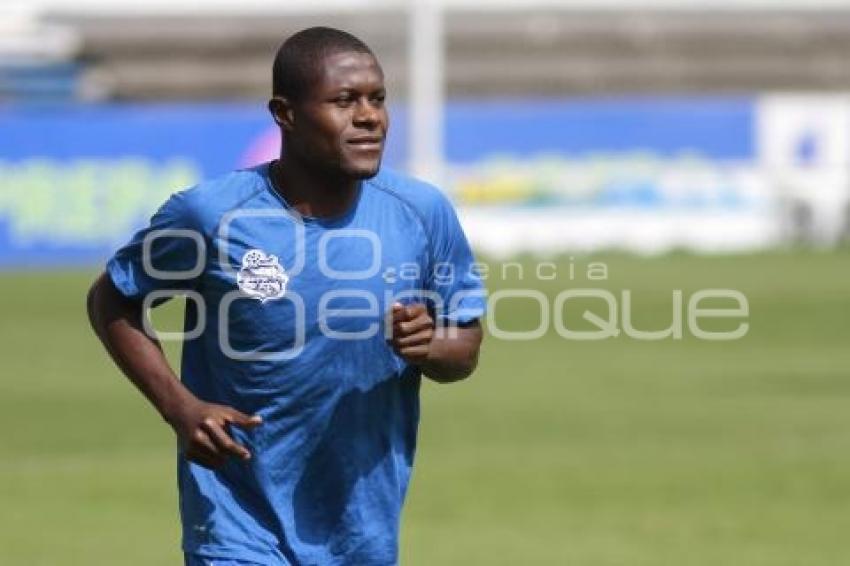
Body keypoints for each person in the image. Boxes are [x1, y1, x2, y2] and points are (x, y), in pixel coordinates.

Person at [86, 26, 485, 566]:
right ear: (286, 113)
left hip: (362, 532)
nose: (370, 116)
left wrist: (431, 346)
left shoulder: (420, 212)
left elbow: (464, 345)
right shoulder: (211, 216)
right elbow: (113, 299)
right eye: (344, 101)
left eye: (378, 99)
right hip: (237, 526)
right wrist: (179, 407)